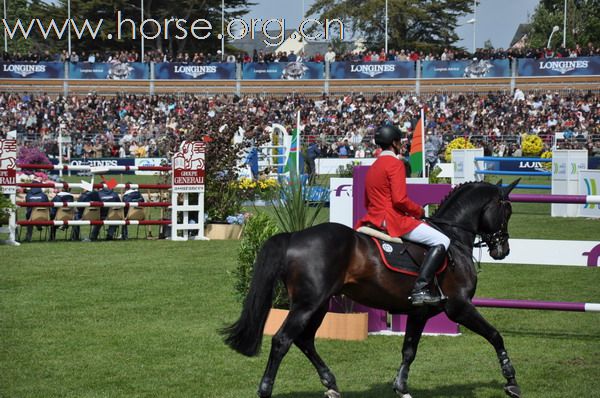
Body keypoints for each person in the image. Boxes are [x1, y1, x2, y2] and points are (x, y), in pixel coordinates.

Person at [355, 125, 451, 306]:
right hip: (392, 220)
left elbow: (367, 202)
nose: (401, 145)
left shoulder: (373, 167)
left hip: (373, 218)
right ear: (394, 143)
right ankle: (420, 288)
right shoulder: (395, 164)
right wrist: (419, 211)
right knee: (442, 240)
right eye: (399, 141)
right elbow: (399, 200)